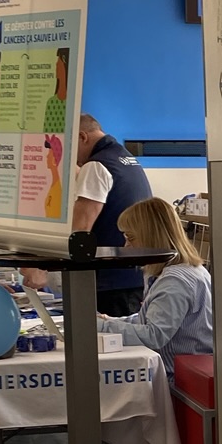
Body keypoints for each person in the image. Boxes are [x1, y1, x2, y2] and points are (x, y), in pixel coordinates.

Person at [97, 195, 213, 374]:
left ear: (151, 237)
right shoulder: (178, 271)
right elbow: (150, 319)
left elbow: (154, 336)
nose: (126, 245)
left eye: (131, 238)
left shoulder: (175, 282)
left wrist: (99, 327)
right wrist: (110, 321)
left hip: (174, 377)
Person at [72, 113, 153, 315]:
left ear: (82, 137)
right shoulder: (125, 158)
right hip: (134, 273)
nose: (71, 158)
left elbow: (79, 229)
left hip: (111, 280)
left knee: (108, 341)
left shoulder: (97, 165)